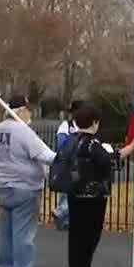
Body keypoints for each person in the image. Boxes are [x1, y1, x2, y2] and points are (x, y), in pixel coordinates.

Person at [66, 104, 134, 267]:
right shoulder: (92, 144)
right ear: (94, 122)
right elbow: (110, 160)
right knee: (89, 237)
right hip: (92, 197)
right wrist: (132, 146)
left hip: (74, 194)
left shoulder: (72, 141)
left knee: (76, 237)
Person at [0, 95, 54, 267]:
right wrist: (64, 158)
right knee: (23, 233)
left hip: (3, 185)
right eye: (28, 110)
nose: (30, 114)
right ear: (22, 110)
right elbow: (44, 154)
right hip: (25, 187)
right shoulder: (23, 131)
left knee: (6, 233)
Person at [52, 99, 82, 231]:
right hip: (69, 164)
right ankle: (61, 212)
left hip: (80, 163)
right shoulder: (66, 125)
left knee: (74, 191)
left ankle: (67, 219)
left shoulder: (85, 126)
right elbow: (61, 143)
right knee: (68, 189)